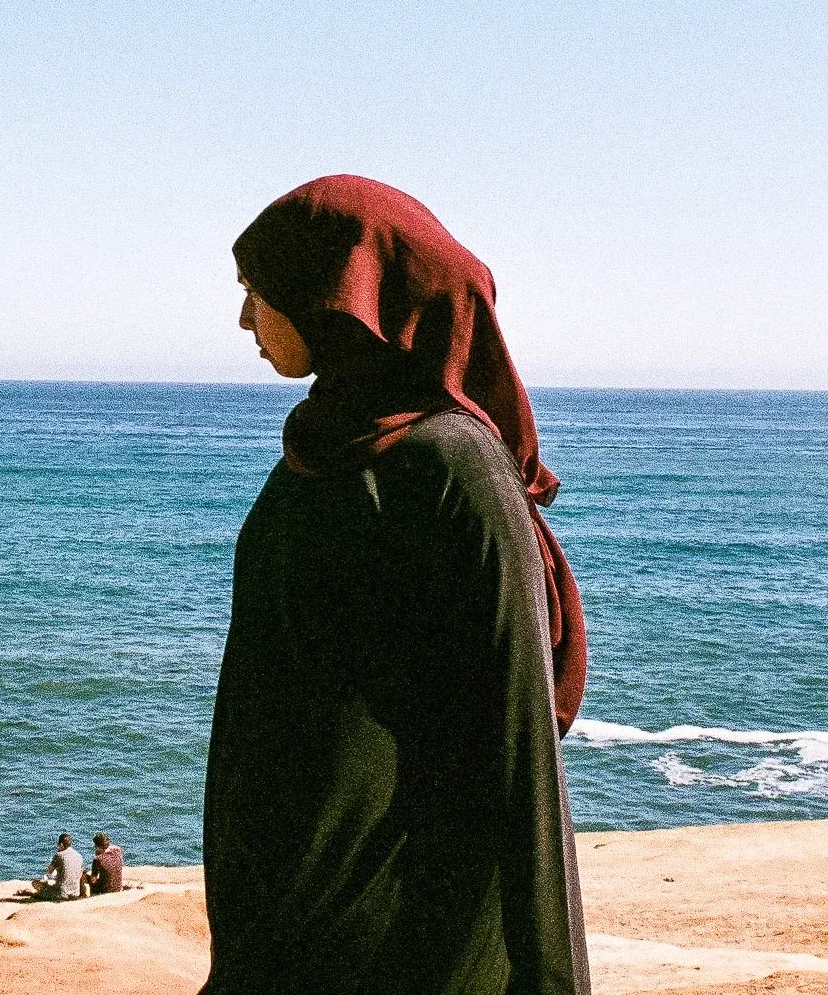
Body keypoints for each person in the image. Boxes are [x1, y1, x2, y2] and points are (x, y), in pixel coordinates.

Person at [202, 176, 591, 995]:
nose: (243, 320)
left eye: (257, 293)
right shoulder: (318, 452)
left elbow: (519, 748)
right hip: (291, 930)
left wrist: (553, 980)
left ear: (331, 296)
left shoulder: (453, 464)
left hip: (411, 945)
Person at [32, 833, 83, 901]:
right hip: (75, 893)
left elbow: (49, 871)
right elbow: (80, 874)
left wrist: (57, 853)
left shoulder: (59, 855)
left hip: (61, 894)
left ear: (61, 844)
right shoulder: (79, 856)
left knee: (35, 883)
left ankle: (32, 894)